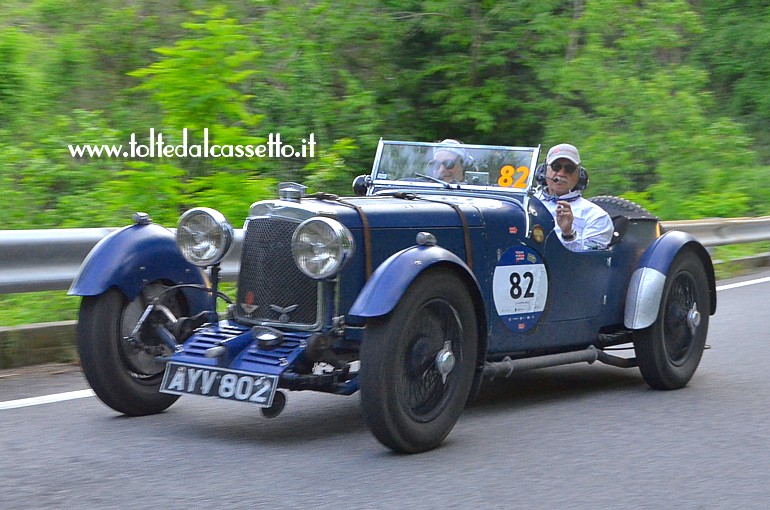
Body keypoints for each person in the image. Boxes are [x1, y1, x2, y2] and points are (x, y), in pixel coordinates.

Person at [535, 143, 614, 251]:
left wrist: (568, 234)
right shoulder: (525, 204)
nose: (561, 173)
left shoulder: (596, 216)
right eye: (556, 166)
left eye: (569, 168)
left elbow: (587, 261)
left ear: (580, 174)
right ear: (544, 170)